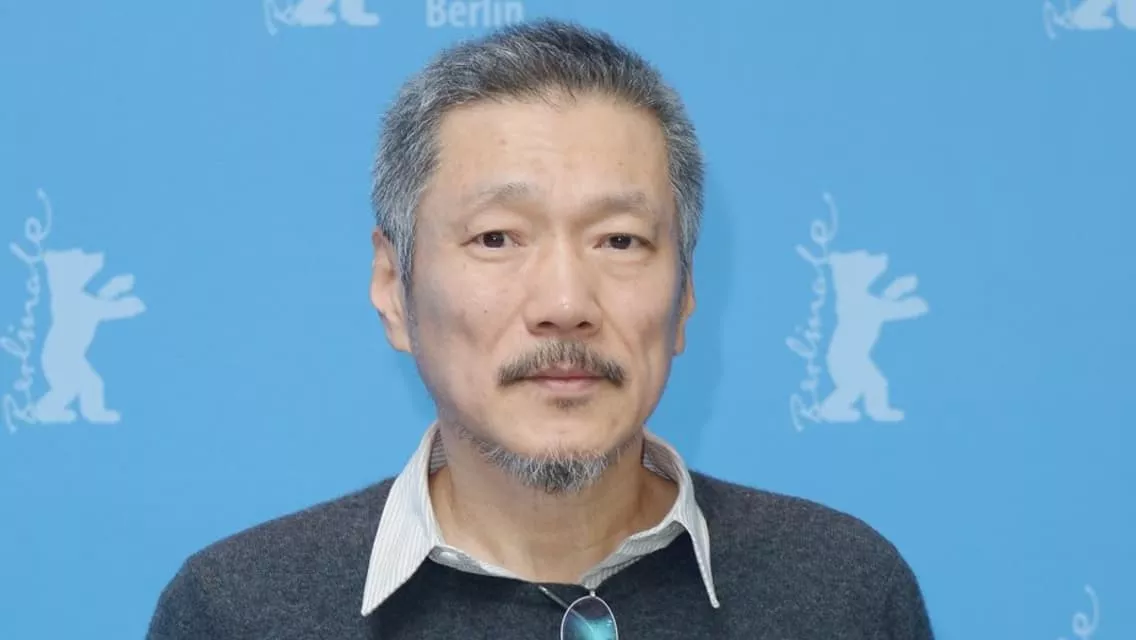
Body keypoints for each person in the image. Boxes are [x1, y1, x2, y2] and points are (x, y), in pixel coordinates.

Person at [146, 18, 935, 639]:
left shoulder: (845, 591)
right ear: (393, 287)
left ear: (686, 294)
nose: (565, 302)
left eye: (619, 241)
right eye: (497, 238)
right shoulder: (238, 610)